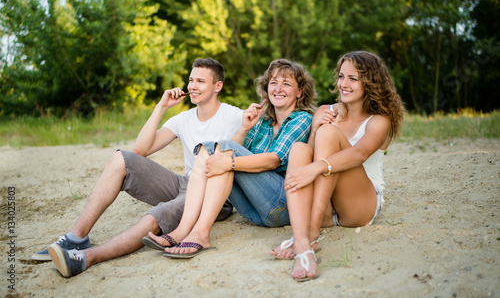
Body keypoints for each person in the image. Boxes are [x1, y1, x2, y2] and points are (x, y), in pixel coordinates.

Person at [34, 58, 244, 277]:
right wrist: (161, 107)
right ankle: (77, 238)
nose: (192, 86)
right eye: (191, 80)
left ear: (217, 86)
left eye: (200, 81)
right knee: (121, 159)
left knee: (158, 214)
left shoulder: (235, 116)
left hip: (215, 197)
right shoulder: (183, 118)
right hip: (185, 184)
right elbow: (141, 150)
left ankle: (87, 258)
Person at [144, 59, 316, 258]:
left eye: (286, 84)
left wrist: (230, 163)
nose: (278, 89)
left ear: (300, 91)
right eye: (273, 83)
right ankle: (183, 230)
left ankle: (200, 234)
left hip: (281, 206)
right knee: (214, 151)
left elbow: (273, 160)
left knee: (222, 153)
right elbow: (231, 150)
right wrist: (244, 128)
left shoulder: (302, 119)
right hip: (253, 211)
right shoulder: (263, 121)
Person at [270, 51, 405, 281]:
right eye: (341, 76)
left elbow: (359, 154)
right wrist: (314, 130)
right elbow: (309, 155)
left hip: (360, 205)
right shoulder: (325, 111)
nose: (344, 84)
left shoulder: (379, 121)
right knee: (299, 149)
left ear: (370, 82)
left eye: (353, 78)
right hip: (327, 208)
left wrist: (317, 167)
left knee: (329, 134)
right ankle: (305, 239)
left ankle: (309, 233)